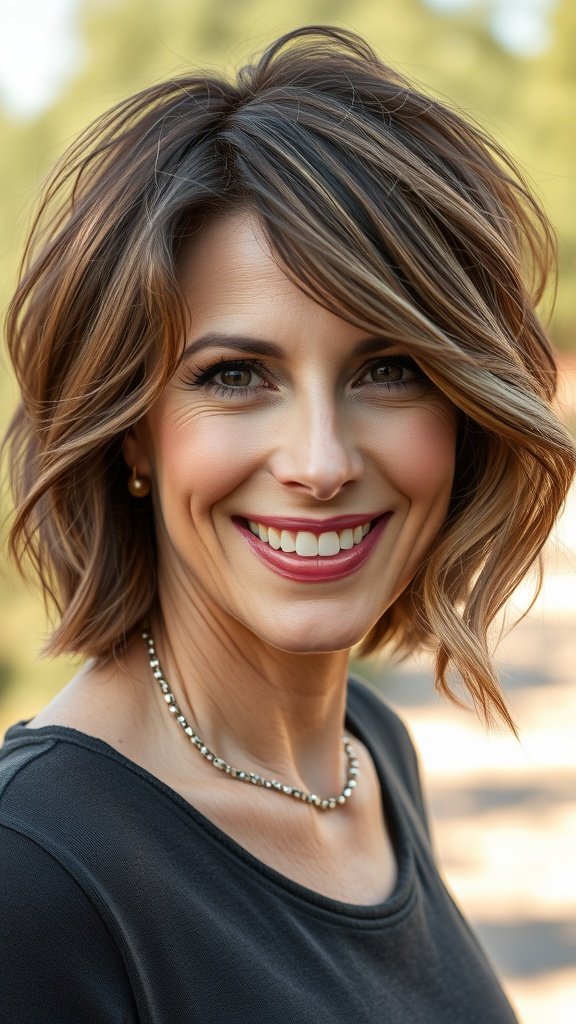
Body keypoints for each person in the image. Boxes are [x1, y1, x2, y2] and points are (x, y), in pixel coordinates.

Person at [0, 24, 574, 1024]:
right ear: (135, 434)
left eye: (388, 370)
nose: (320, 461)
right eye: (235, 377)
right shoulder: (34, 874)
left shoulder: (368, 750)